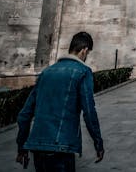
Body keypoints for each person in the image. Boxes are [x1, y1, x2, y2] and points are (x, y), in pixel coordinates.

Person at [16, 31, 104, 171]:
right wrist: (98, 143)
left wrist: (21, 147)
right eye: (88, 53)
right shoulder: (82, 71)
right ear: (84, 50)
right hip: (62, 145)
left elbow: (24, 115)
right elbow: (89, 112)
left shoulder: (46, 72)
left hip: (37, 146)